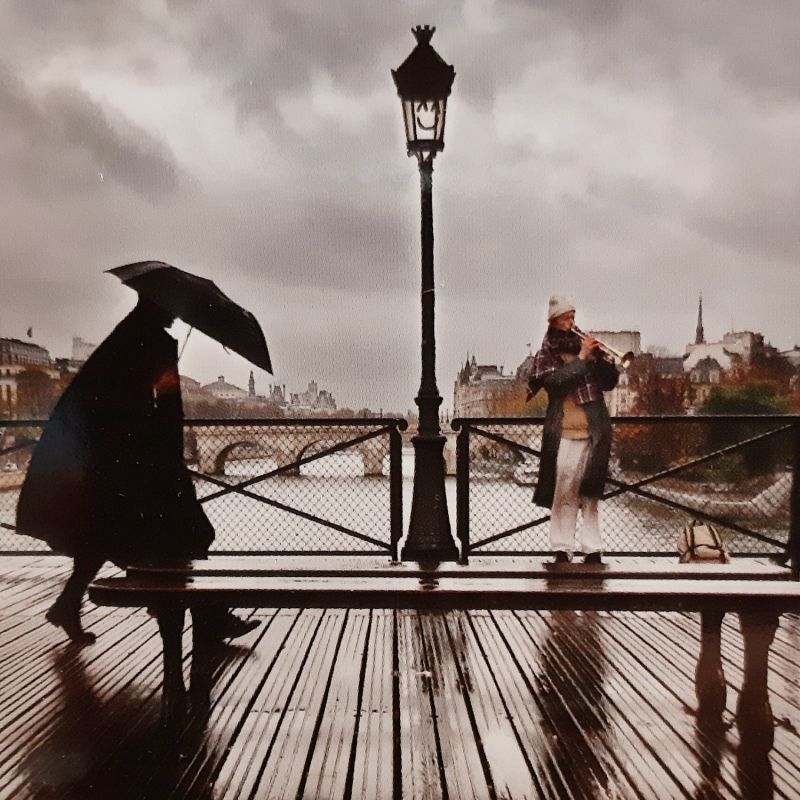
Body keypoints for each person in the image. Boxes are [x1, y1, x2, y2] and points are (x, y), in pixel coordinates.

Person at [16, 298, 258, 643]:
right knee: (192, 534)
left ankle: (70, 603)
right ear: (160, 307)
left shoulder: (121, 339)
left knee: (102, 535)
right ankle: (207, 616)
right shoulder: (157, 342)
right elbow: (168, 404)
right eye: (172, 308)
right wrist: (172, 456)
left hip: (105, 461)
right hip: (143, 463)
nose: (176, 314)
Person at [527, 295, 619, 564]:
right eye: (568, 318)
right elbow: (556, 384)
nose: (573, 323)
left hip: (594, 429)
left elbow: (609, 383)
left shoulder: (585, 349)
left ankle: (592, 548)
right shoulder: (547, 353)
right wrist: (581, 358)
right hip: (564, 429)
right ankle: (562, 546)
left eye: (574, 317)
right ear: (554, 321)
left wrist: (602, 360)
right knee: (563, 490)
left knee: (591, 492)